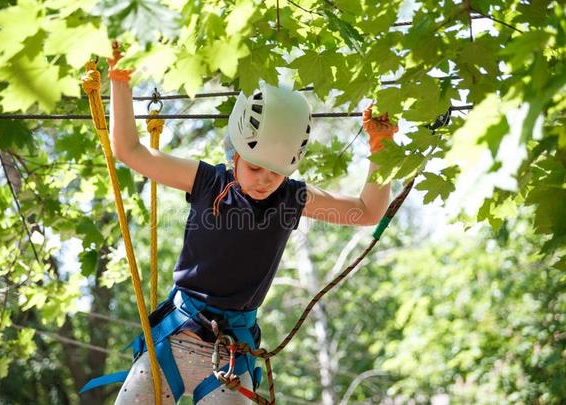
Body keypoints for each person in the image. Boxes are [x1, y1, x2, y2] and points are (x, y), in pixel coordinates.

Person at [88, 42, 398, 404]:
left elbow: (366, 211)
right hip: (173, 341)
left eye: (277, 173)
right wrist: (120, 80)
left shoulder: (290, 198)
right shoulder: (207, 181)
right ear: (234, 152)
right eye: (254, 167)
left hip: (231, 356)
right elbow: (130, 151)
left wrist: (381, 148)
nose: (265, 180)